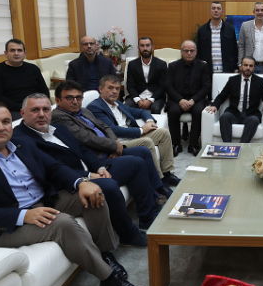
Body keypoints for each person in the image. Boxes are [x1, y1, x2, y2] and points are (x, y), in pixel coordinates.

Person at [0, 102, 145, 286]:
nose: (0, 127)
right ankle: (109, 279)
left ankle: (104, 253)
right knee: (62, 223)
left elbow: (55, 168)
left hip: (44, 201)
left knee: (95, 196)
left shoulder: (23, 144)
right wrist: (24, 215)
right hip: (4, 226)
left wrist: (81, 182)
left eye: (5, 121)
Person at [14, 93, 166, 243]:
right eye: (35, 110)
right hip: (69, 183)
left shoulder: (58, 128)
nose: (42, 114)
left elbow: (83, 149)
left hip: (92, 170)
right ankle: (128, 234)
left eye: (46, 109)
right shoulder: (21, 139)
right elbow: (50, 170)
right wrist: (87, 175)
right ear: (22, 113)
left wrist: (99, 168)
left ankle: (147, 216)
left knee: (136, 163)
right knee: (109, 186)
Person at [51, 80, 175, 194]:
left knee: (149, 146)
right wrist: (115, 145)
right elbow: (87, 138)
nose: (75, 101)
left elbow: (105, 127)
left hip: (112, 144)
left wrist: (115, 144)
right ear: (57, 100)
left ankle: (162, 182)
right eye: (69, 98)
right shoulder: (62, 116)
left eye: (78, 98)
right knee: (143, 150)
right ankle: (157, 191)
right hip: (99, 155)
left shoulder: (84, 110)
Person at [87, 75, 179, 185]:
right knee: (146, 142)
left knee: (163, 133)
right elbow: (113, 129)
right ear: (101, 89)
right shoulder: (95, 107)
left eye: (117, 88)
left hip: (131, 136)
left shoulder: (117, 103)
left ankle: (167, 174)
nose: (115, 91)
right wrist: (141, 130)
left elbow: (139, 112)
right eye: (110, 88)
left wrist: (149, 120)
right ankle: (158, 180)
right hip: (118, 143)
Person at [205, 56, 263, 143]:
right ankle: (228, 146)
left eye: (251, 66)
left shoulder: (259, 81)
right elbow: (222, 96)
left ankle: (241, 146)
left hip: (251, 114)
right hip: (234, 113)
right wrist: (214, 105)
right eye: (246, 65)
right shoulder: (233, 80)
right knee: (224, 117)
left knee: (254, 120)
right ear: (241, 66)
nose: (248, 68)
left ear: (254, 67)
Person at [165, 40, 211, 157]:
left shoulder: (203, 66)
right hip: (178, 98)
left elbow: (206, 86)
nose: (189, 53)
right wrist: (180, 100)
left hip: (196, 99)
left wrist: (192, 100)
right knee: (173, 111)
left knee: (198, 111)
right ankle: (176, 144)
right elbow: (168, 86)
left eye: (191, 51)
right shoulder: (173, 66)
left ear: (196, 52)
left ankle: (193, 145)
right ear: (182, 52)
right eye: (186, 51)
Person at [0, 39, 49, 120]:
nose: (16, 53)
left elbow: (44, 91)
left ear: (24, 53)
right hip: (12, 110)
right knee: (32, 121)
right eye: (12, 50)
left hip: (37, 106)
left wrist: (41, 105)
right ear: (6, 53)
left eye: (19, 50)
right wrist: (24, 108)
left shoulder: (33, 69)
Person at [125, 36, 168, 114]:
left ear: (152, 47)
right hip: (138, 95)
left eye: (147, 45)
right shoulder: (132, 64)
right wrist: (138, 100)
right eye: (142, 46)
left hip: (156, 97)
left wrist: (150, 100)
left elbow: (163, 86)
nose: (145, 48)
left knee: (155, 108)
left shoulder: (161, 64)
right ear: (138, 48)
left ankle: (153, 122)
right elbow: (130, 85)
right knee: (126, 107)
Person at [196, 1, 238, 74]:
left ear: (222, 12)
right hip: (207, 70)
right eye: (213, 8)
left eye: (218, 8)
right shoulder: (202, 30)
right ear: (209, 11)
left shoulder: (230, 29)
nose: (216, 10)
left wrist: (236, 68)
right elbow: (199, 51)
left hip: (227, 69)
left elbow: (234, 50)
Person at [237, 2, 263, 74]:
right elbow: (241, 46)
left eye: (262, 10)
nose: (260, 12)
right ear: (253, 12)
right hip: (248, 66)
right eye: (257, 10)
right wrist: (240, 64)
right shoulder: (245, 26)